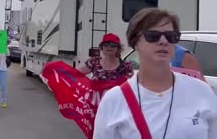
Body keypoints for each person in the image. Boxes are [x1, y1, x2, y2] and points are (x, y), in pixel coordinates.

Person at [93, 8, 217, 139]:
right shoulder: (114, 100)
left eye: (171, 36)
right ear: (135, 42)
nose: (164, 41)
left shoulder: (202, 92)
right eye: (153, 36)